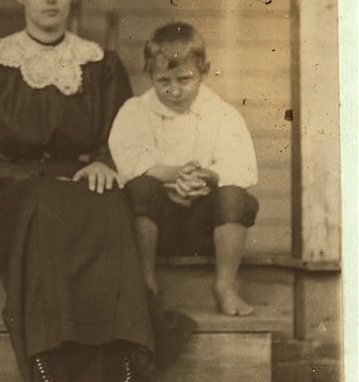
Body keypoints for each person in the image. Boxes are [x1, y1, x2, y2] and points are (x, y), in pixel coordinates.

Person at [0, 0, 194, 382]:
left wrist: (105, 162)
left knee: (110, 202)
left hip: (83, 185)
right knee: (46, 204)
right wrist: (30, 181)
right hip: (13, 195)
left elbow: (120, 138)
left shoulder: (100, 66)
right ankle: (47, 361)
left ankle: (122, 358)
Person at [108, 22, 260, 317]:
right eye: (163, 81)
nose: (174, 91)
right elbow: (129, 162)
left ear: (204, 71)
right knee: (140, 189)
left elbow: (242, 167)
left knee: (235, 197)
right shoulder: (135, 111)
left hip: (203, 226)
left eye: (184, 79)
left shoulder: (222, 115)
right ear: (149, 74)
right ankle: (145, 279)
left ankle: (225, 285)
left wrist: (206, 176)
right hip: (154, 226)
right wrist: (175, 173)